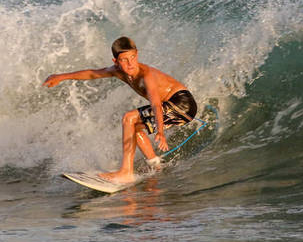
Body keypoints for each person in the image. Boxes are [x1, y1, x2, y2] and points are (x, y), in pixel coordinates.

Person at [43, 36, 198, 185]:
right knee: (134, 127)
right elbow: (92, 73)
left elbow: (156, 105)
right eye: (124, 60)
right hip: (171, 106)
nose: (130, 63)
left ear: (137, 55)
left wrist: (160, 132)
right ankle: (155, 164)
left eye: (133, 57)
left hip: (182, 104)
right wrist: (61, 76)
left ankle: (126, 173)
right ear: (116, 62)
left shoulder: (147, 75)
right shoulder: (117, 71)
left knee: (128, 118)